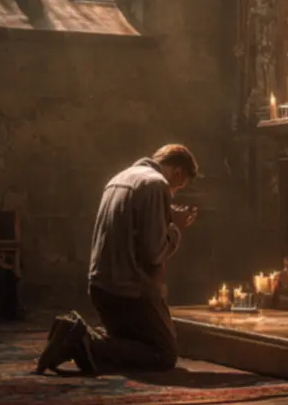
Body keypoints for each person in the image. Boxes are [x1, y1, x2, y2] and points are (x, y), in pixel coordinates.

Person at [35, 144, 200, 375]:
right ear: (178, 173)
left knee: (128, 341)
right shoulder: (157, 184)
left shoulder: (120, 177)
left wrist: (165, 216)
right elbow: (153, 253)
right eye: (179, 187)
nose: (174, 193)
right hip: (128, 290)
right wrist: (175, 228)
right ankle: (78, 337)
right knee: (162, 353)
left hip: (102, 286)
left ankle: (77, 337)